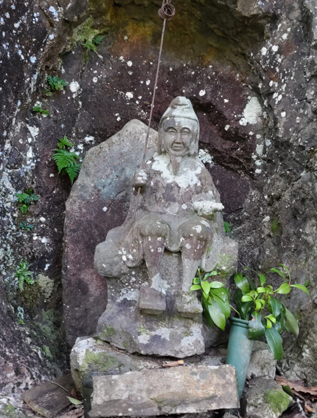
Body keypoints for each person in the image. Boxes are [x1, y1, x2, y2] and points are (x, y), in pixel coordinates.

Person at [95, 96, 231, 317]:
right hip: (155, 217)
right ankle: (154, 286)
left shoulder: (198, 170)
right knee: (152, 227)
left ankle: (186, 292)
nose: (178, 139)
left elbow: (209, 198)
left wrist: (206, 208)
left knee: (198, 230)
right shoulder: (153, 166)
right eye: (171, 132)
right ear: (162, 135)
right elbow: (138, 204)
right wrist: (138, 185)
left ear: (194, 136)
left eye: (185, 132)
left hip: (188, 219)